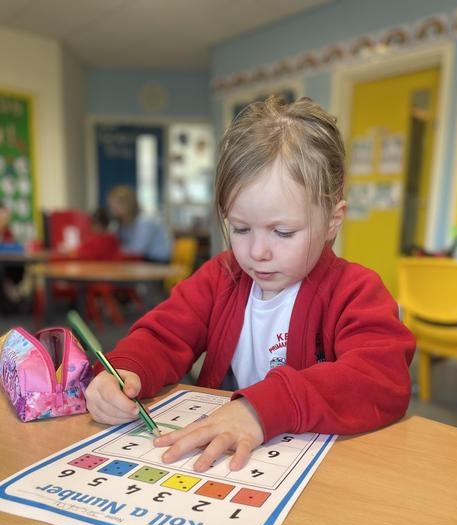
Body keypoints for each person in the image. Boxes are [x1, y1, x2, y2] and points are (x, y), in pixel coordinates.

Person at [85, 96, 415, 472]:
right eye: (241, 228)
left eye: (283, 232)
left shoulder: (355, 291)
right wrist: (127, 370)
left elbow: (381, 379)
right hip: (226, 468)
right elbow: (163, 335)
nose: (257, 252)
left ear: (332, 221)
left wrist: (261, 408)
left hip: (314, 472)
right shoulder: (220, 276)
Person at [107, 185, 170, 262]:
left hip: (157, 261)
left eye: (115, 206)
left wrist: (113, 252)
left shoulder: (145, 221)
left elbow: (137, 250)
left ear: (128, 204)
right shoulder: (121, 223)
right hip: (140, 260)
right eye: (111, 206)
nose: (112, 210)